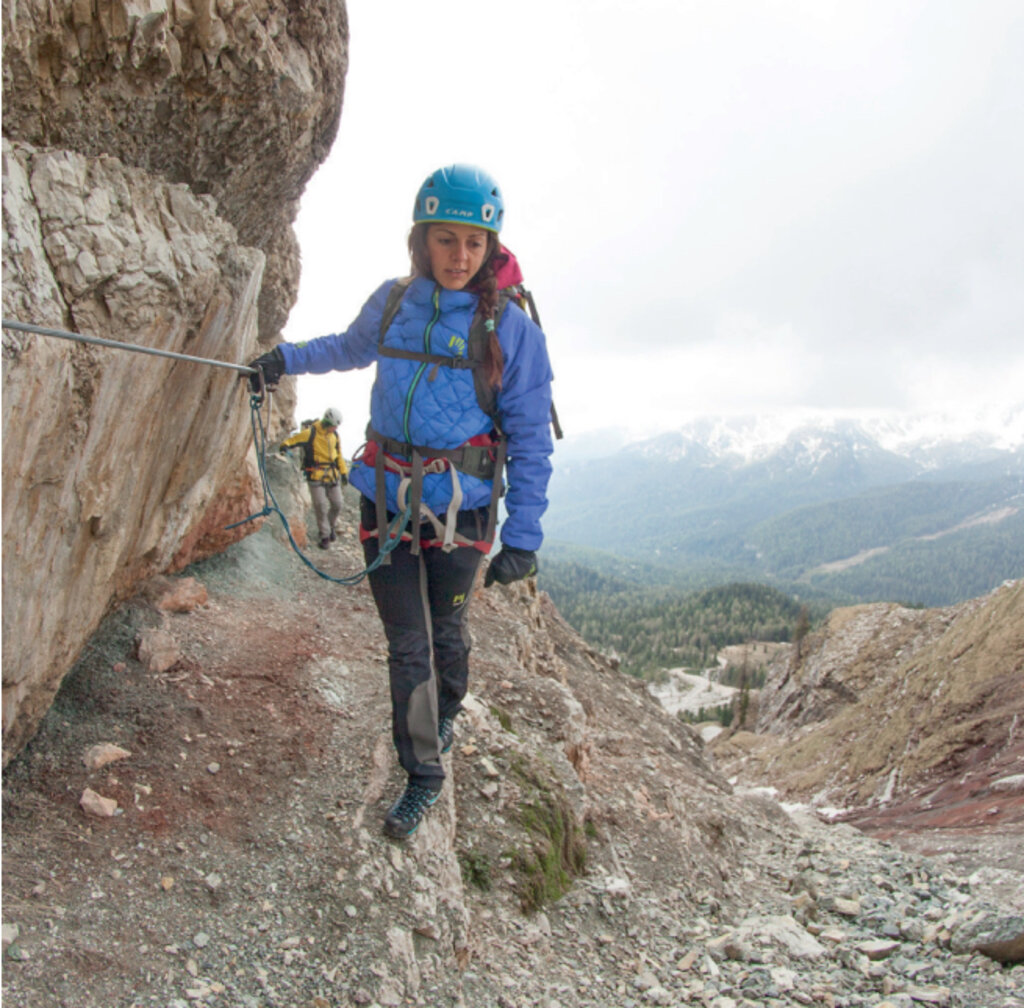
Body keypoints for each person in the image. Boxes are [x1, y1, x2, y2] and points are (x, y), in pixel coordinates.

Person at [247, 164, 554, 839]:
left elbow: (531, 435)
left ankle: (446, 711)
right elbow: (349, 349)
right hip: (383, 499)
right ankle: (422, 773)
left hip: (463, 510)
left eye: (474, 244)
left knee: (446, 633)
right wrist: (282, 359)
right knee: (407, 643)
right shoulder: (393, 302)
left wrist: (523, 537)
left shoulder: (511, 331)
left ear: (492, 249)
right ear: (422, 240)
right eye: (446, 240)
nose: (460, 257)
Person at [279, 407, 349, 549]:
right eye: (334, 425)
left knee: (337, 504)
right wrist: (284, 447)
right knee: (321, 506)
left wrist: (343, 472)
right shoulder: (310, 433)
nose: (335, 428)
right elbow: (292, 441)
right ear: (328, 422)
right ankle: (325, 536)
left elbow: (338, 455)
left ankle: (330, 527)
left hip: (332, 475)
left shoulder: (334, 436)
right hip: (315, 476)